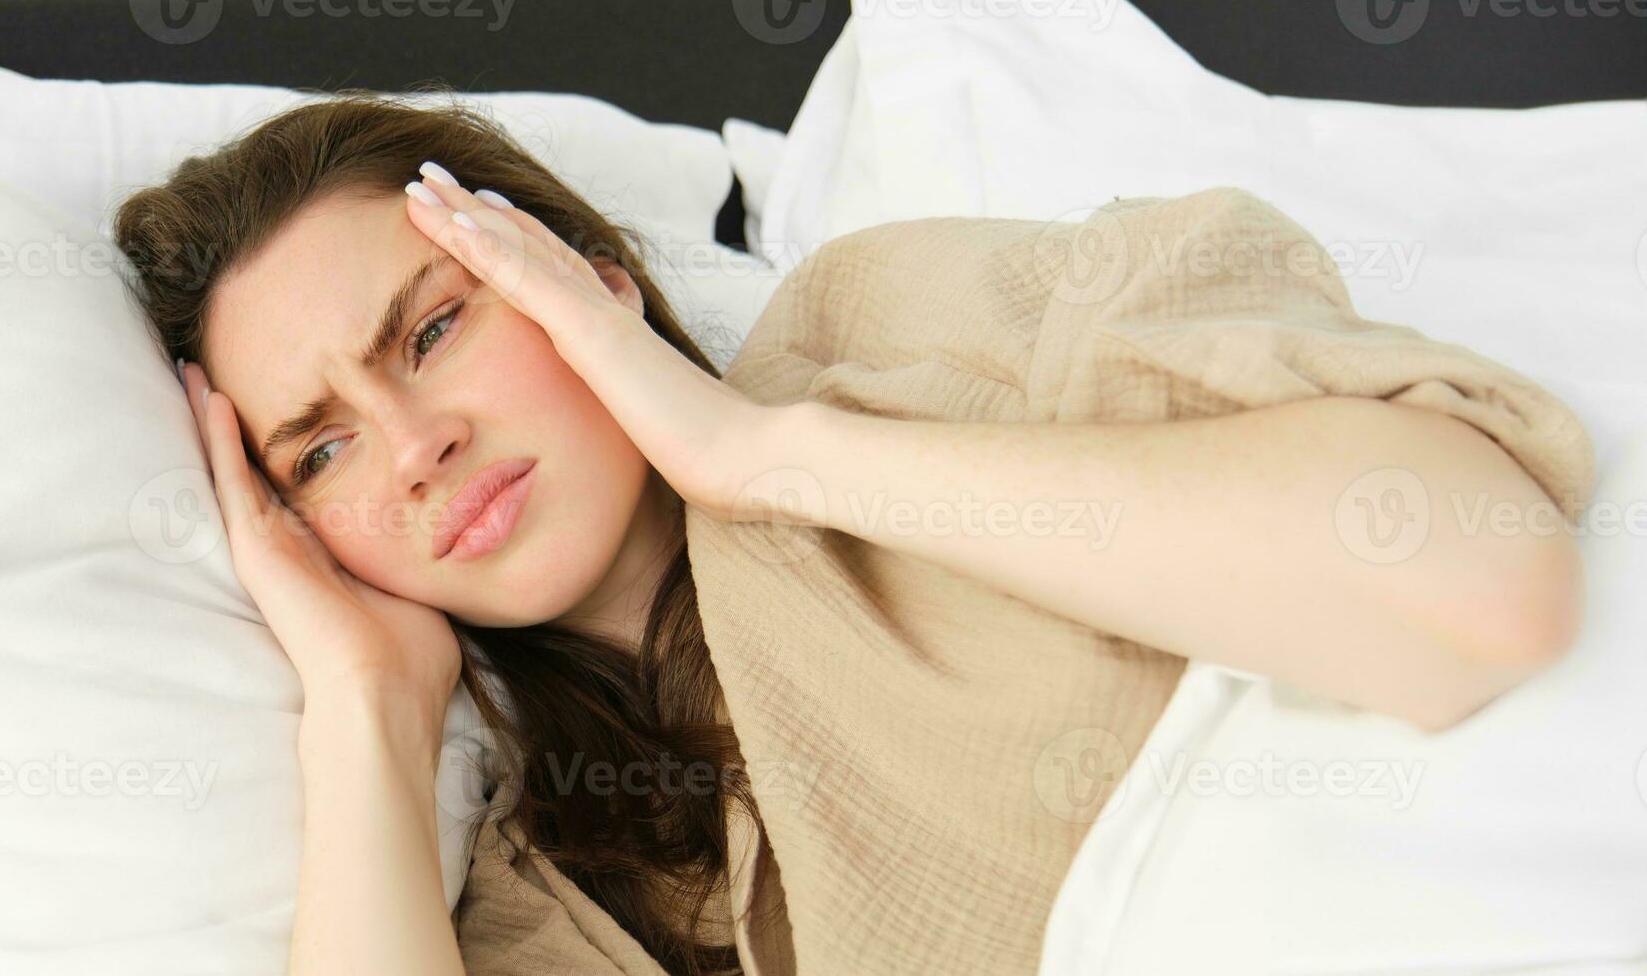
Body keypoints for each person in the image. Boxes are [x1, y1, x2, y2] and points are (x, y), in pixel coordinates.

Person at [112, 95, 1585, 976]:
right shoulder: (550, 880)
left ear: (594, 283)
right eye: (322, 446)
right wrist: (367, 709)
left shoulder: (893, 343)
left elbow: (1481, 580)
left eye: (433, 329)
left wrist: (764, 457)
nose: (415, 445)